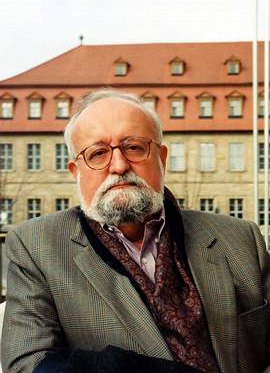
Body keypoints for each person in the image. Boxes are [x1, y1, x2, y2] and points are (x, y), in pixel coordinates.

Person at [2, 90, 270, 373]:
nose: (119, 166)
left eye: (134, 147)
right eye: (98, 153)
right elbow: (27, 363)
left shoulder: (240, 239)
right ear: (75, 171)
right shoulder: (36, 246)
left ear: (161, 158)